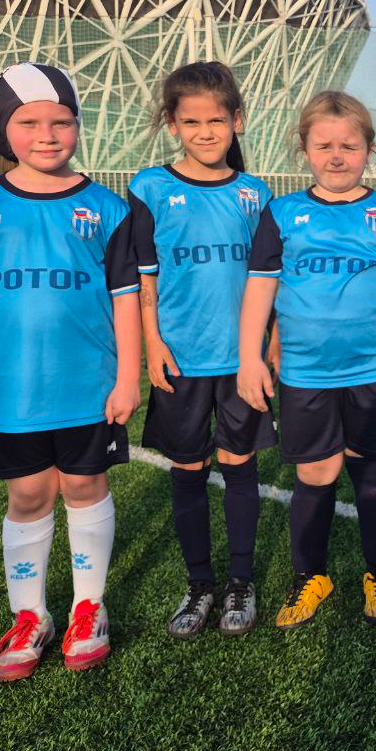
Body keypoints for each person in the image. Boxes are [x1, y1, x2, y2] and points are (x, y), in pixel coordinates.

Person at [0, 62, 140, 680]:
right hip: (12, 390)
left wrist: (128, 377)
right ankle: (31, 616)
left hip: (88, 388)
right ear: (2, 130)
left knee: (84, 486)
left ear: (78, 125)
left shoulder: (106, 207)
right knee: (27, 495)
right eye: (28, 122)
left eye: (62, 121)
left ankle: (88, 609)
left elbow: (127, 299)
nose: (47, 135)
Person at [238, 92, 376, 630]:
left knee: (372, 469)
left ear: (369, 149)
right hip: (306, 372)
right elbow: (260, 287)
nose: (337, 156)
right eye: (324, 146)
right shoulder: (283, 213)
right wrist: (249, 356)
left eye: (349, 145)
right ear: (304, 149)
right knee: (315, 472)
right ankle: (311, 575)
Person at [128, 61, 274, 638]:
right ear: (172, 124)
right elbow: (144, 278)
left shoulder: (255, 194)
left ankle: (241, 581)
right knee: (188, 468)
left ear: (237, 120)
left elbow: (269, 281)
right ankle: (199, 584)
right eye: (191, 121)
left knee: (239, 465)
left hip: (241, 360)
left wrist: (267, 349)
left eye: (216, 120)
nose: (205, 132)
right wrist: (153, 343)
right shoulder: (151, 187)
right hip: (181, 357)